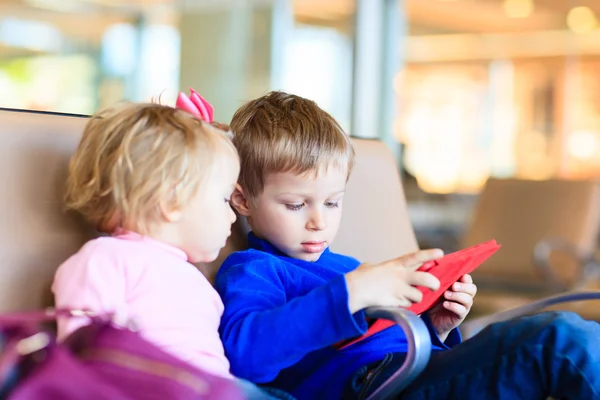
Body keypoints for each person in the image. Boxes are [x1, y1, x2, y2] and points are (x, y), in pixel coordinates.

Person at [215, 91, 600, 400]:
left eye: (333, 202)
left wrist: (438, 327)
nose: (319, 220)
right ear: (243, 199)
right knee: (559, 341)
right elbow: (244, 355)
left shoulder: (348, 265)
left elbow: (402, 344)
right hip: (374, 385)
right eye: (296, 205)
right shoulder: (255, 269)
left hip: (410, 371)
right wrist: (352, 293)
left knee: (577, 337)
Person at [52, 101, 286, 400]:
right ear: (172, 201)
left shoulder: (192, 276)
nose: (232, 216)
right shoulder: (104, 258)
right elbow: (84, 349)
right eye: (224, 199)